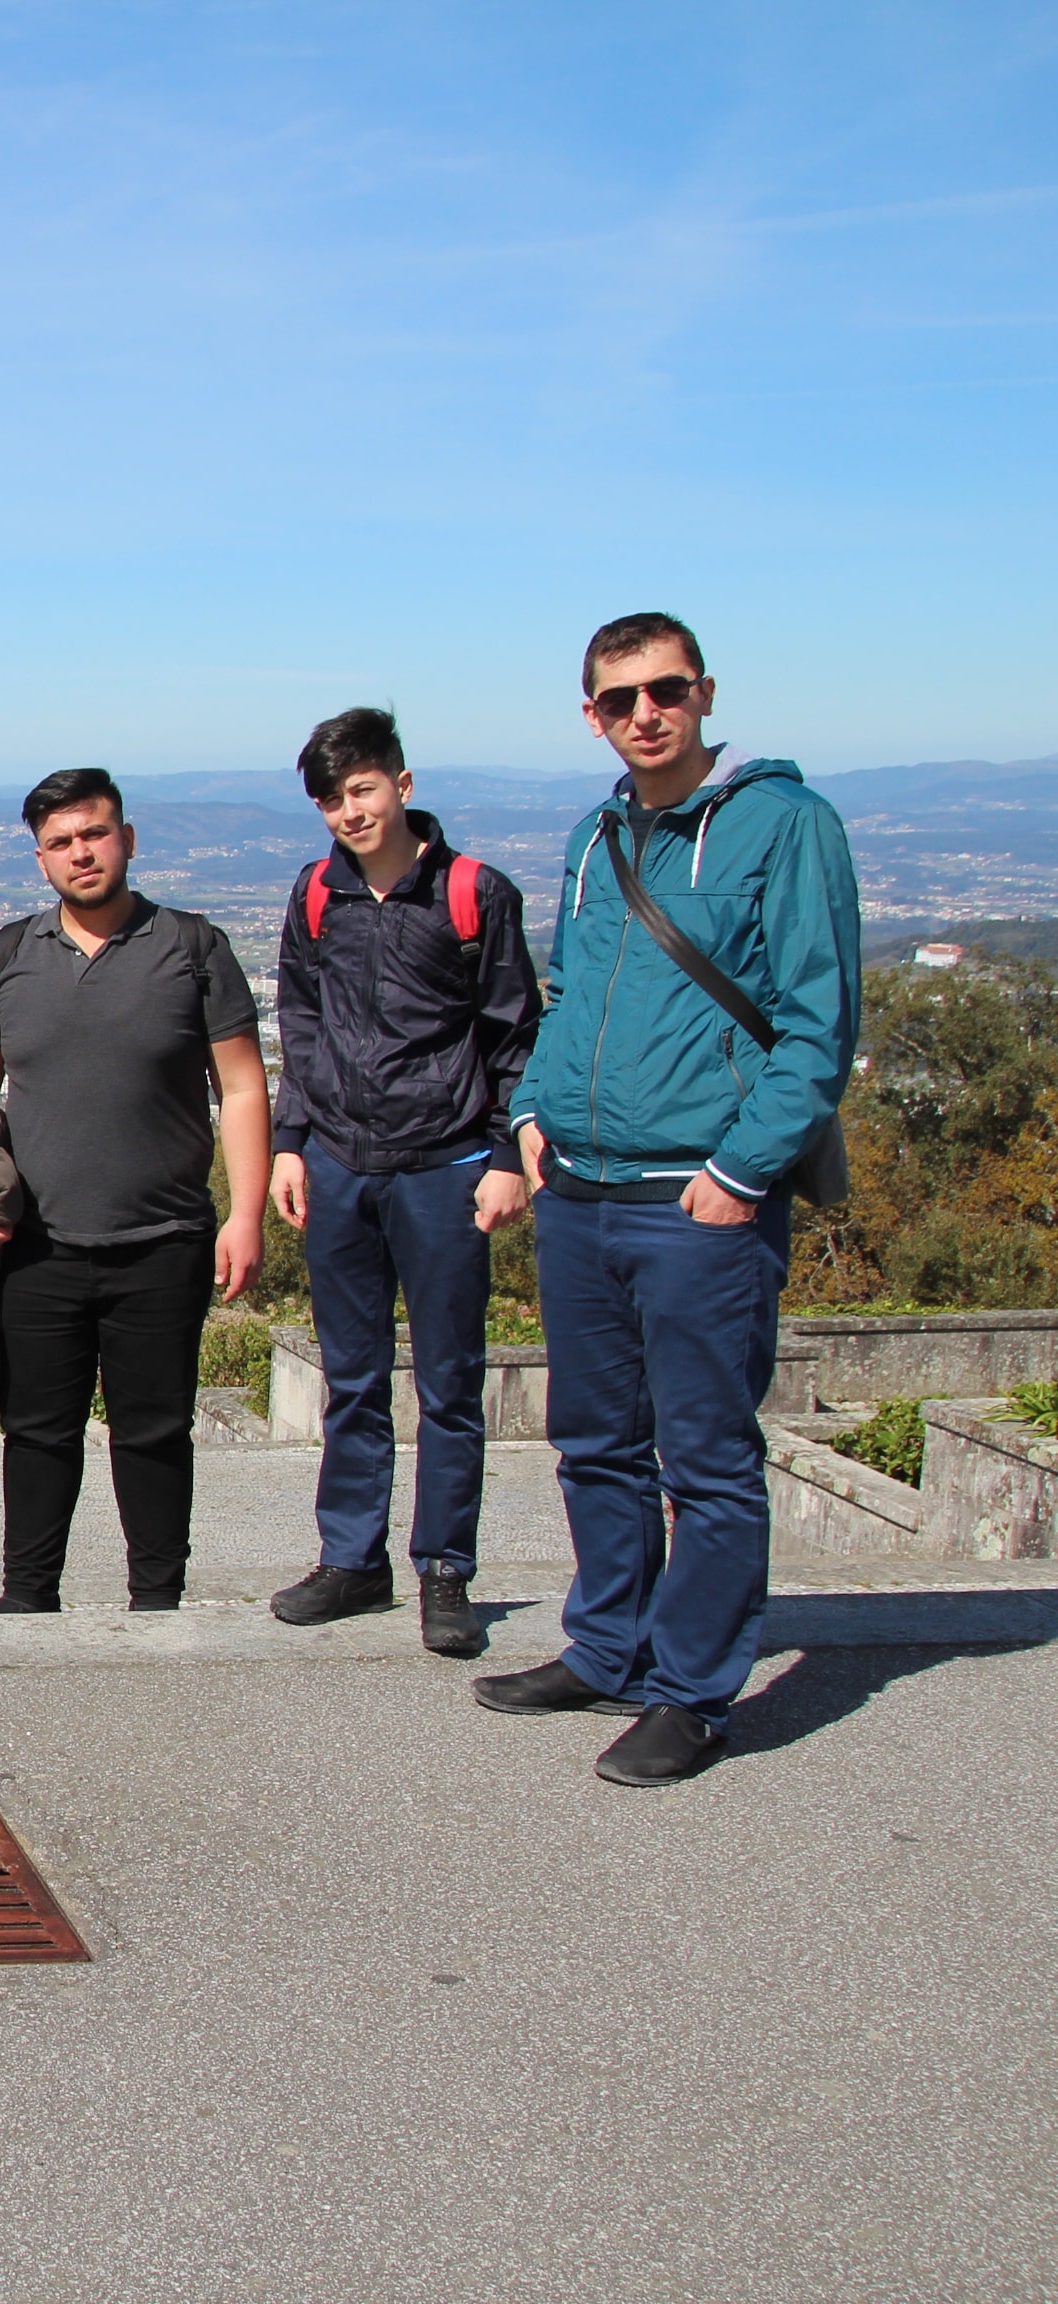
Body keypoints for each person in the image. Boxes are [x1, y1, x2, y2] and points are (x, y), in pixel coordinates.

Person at [484, 613, 860, 1786]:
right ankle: (609, 1647)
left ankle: (692, 1692)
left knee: (705, 1459)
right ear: (590, 715)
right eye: (619, 699)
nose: (644, 715)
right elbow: (566, 995)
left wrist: (739, 1174)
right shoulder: (595, 835)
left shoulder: (785, 824)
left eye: (665, 690)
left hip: (698, 1196)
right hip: (582, 1188)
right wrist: (531, 1114)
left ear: (704, 694)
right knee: (595, 1443)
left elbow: (818, 1024)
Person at [0, 770, 269, 1612]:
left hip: (164, 1238)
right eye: (60, 842)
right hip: (38, 1245)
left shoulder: (193, 948)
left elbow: (242, 1086)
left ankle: (157, 1599)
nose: (80, 853)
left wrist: (245, 1213)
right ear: (40, 859)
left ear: (126, 838)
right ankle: (28, 1600)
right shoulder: (9, 956)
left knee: (155, 1432)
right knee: (36, 1432)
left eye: (93, 834)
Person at [263, 709, 541, 1660]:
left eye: (362, 790)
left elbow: (512, 1032)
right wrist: (292, 1142)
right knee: (352, 1378)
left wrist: (505, 1156)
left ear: (402, 785)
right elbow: (301, 1019)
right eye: (331, 799)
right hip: (340, 1161)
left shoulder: (473, 894)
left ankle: (446, 1570)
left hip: (445, 1163)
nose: (349, 812)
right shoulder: (316, 894)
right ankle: (352, 1559)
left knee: (451, 1380)